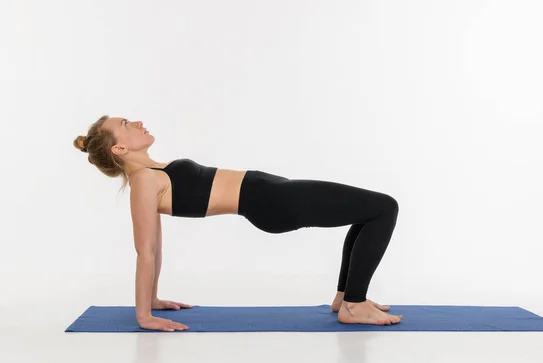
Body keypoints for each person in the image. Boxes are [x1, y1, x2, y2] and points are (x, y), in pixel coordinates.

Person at [73, 115, 402, 332]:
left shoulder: (151, 173)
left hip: (274, 194)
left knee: (368, 211)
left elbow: (156, 248)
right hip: (273, 202)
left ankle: (345, 298)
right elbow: (146, 250)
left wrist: (154, 299)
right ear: (120, 147)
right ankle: (354, 305)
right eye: (127, 123)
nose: (138, 122)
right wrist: (144, 316)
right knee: (384, 208)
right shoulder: (144, 180)